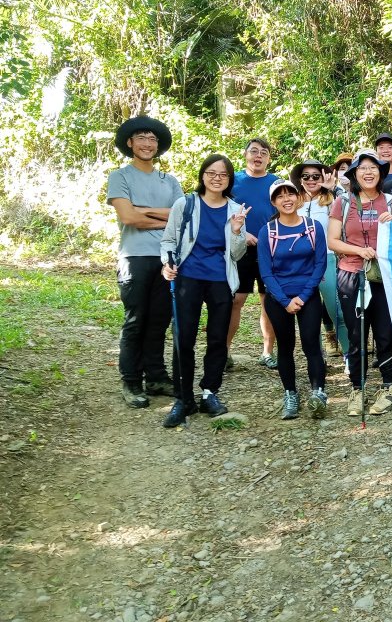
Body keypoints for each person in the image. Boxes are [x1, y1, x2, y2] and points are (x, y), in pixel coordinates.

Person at [159, 155, 249, 427]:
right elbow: (169, 240)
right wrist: (167, 264)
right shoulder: (185, 204)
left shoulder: (235, 209)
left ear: (230, 179)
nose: (217, 178)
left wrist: (236, 230)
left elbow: (237, 252)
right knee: (183, 337)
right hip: (188, 277)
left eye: (223, 174)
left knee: (218, 338)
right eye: (211, 172)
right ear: (202, 175)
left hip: (220, 279)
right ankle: (183, 398)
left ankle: (210, 391)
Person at [107, 116, 183, 408]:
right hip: (134, 257)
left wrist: (144, 211)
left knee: (159, 320)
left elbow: (181, 216)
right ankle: (131, 381)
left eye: (152, 139)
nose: (147, 143)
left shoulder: (170, 180)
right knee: (136, 321)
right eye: (141, 138)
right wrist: (162, 216)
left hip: (166, 258)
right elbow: (128, 218)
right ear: (130, 143)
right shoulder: (120, 176)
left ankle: (156, 377)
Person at [327, 150, 392, 417]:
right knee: (357, 333)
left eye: (374, 168)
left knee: (385, 332)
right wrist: (359, 251)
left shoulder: (391, 202)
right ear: (354, 174)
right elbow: (332, 240)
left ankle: (388, 386)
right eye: (363, 168)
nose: (368, 172)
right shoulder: (343, 203)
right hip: (351, 275)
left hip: (383, 277)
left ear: (381, 174)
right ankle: (357, 388)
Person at [258, 180, 329, 419]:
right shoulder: (267, 231)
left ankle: (318, 392)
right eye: (280, 196)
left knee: (311, 343)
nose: (286, 199)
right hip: (278, 298)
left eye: (290, 194)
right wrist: (285, 300)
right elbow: (266, 272)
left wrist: (303, 296)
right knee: (285, 347)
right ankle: (290, 394)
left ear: (299, 198)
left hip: (307, 295)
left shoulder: (313, 227)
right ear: (273, 202)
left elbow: (320, 264)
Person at [228, 138, 280, 370]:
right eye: (254, 151)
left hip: (271, 250)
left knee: (269, 301)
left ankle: (267, 352)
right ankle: (225, 351)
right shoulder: (233, 181)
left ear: (269, 158)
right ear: (245, 154)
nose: (258, 156)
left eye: (264, 152)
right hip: (242, 249)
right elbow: (221, 211)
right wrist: (243, 233)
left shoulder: (276, 182)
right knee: (236, 300)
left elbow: (286, 211)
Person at [291, 160, 345, 359]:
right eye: (306, 176)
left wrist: (334, 190)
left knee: (337, 311)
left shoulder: (333, 199)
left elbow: (350, 210)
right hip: (301, 264)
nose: (311, 180)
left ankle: (350, 357)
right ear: (300, 179)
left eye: (316, 176)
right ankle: (317, 360)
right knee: (308, 316)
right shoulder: (293, 200)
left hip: (328, 259)